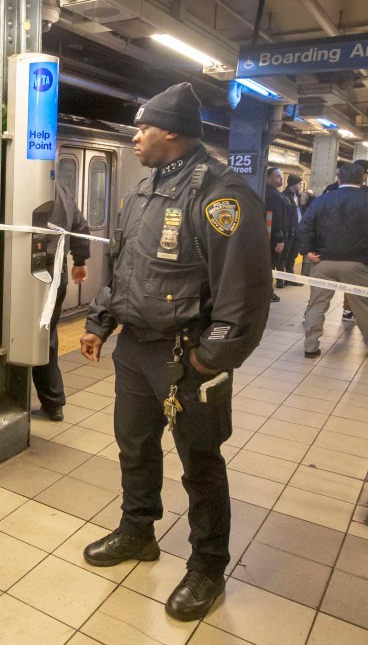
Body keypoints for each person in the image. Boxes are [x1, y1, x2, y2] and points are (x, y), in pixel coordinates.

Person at [79, 83, 272, 622]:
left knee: (200, 464)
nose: (135, 136)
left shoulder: (222, 196)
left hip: (187, 357)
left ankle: (208, 566)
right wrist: (100, 321)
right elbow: (123, 268)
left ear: (172, 132)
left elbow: (245, 296)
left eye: (143, 127)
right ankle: (138, 531)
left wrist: (209, 360)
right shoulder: (142, 193)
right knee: (134, 447)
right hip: (136, 351)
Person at [296, 162, 368, 358]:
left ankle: (310, 346)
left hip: (323, 262)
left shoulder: (323, 200)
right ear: (363, 179)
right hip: (358, 264)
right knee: (363, 306)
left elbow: (304, 226)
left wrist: (307, 251)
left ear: (338, 179)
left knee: (317, 304)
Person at [33, 182, 90, 422]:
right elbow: (81, 226)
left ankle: (8, 397)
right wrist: (79, 260)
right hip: (57, 274)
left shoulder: (26, 182)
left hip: (29, 272)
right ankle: (54, 403)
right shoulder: (62, 190)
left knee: (15, 335)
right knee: (46, 337)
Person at [263, 167, 288, 298]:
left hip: (265, 237)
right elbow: (275, 218)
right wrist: (280, 239)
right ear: (268, 178)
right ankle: (268, 292)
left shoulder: (263, 192)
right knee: (270, 265)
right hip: (272, 239)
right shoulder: (274, 195)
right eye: (278, 176)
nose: (281, 179)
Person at [279, 174, 303, 286]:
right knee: (283, 256)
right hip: (288, 231)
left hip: (297, 231)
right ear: (294, 184)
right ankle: (280, 280)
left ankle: (290, 278)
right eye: (299, 184)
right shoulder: (283, 196)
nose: (301, 186)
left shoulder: (296, 196)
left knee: (292, 256)